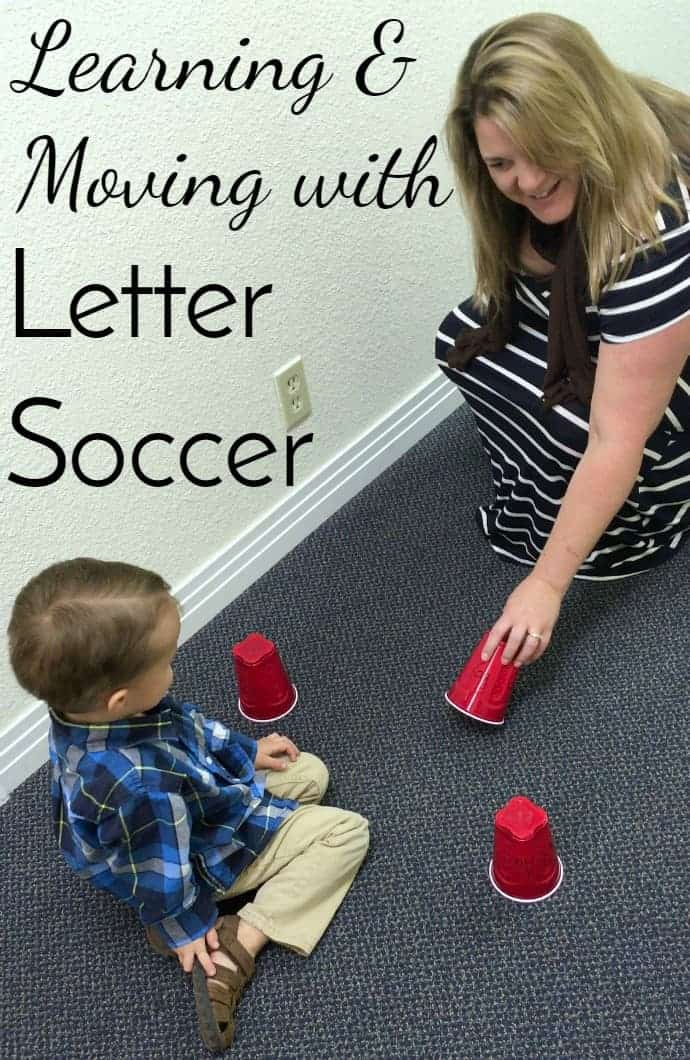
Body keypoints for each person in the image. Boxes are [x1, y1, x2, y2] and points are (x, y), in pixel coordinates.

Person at [7, 558, 369, 1053]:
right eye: (167, 662)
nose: (174, 670)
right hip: (190, 855)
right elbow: (160, 866)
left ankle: (242, 872)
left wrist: (248, 752)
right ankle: (240, 942)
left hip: (190, 806)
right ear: (118, 699)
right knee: (346, 833)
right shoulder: (138, 788)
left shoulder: (91, 713)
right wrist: (183, 926)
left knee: (310, 772)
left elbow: (189, 726)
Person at [436, 12, 690, 669]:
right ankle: (550, 493)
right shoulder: (582, 150)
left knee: (579, 427)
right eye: (500, 162)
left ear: (582, 119)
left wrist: (546, 585)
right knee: (463, 339)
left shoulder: (655, 233)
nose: (524, 181)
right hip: (618, 316)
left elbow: (616, 439)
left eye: (543, 148)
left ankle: (623, 524)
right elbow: (524, 277)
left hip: (665, 368)